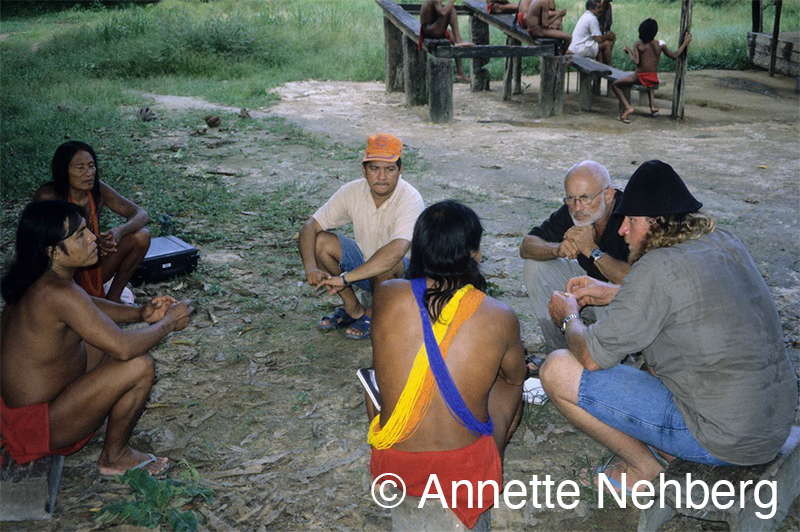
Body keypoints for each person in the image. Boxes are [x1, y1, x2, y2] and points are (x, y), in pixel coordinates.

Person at [539, 160, 797, 494]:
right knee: (654, 366)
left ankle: (640, 468)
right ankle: (665, 447)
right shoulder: (723, 241)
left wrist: (569, 316)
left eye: (631, 221)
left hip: (726, 441)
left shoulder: (656, 268)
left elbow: (589, 356)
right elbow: (687, 301)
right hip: (772, 425)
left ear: (658, 222)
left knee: (557, 368)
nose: (622, 230)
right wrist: (613, 292)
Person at [0, 201, 194, 475]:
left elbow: (90, 307)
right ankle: (114, 457)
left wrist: (141, 313)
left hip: (22, 415)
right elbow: (124, 349)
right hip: (36, 428)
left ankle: (92, 419)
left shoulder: (39, 280)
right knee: (139, 366)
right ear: (53, 251)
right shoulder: (57, 292)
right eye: (80, 235)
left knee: (97, 336)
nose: (92, 238)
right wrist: (167, 323)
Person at [368, 200, 526, 529]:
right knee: (507, 381)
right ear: (475, 253)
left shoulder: (386, 295)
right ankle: (491, 455)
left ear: (420, 250)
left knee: (374, 373)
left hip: (396, 463)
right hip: (465, 469)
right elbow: (514, 379)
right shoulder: (500, 316)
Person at [299, 133, 424, 340]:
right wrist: (310, 267)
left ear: (400, 171)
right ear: (364, 170)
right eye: (374, 168)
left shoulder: (410, 198)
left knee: (389, 260)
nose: (382, 176)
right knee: (320, 242)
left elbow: (396, 251)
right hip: (365, 266)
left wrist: (345, 279)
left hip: (403, 277)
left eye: (389, 169)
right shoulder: (352, 191)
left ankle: (374, 314)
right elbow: (309, 227)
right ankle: (353, 308)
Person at [520, 161, 629, 360]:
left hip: (624, 302)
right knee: (535, 267)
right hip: (591, 294)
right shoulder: (575, 211)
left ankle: (614, 362)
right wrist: (557, 249)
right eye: (570, 198)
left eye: (585, 198)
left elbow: (639, 281)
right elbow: (527, 245)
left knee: (613, 290)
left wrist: (592, 250)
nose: (577, 208)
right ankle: (559, 353)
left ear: (608, 195)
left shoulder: (630, 215)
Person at [34, 141, 151, 303]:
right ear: (64, 171)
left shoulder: (98, 189)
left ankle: (114, 298)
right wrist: (94, 241)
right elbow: (43, 245)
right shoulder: (48, 197)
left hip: (91, 263)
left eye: (91, 166)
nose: (88, 173)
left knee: (141, 236)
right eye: (80, 168)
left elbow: (141, 214)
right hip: (62, 269)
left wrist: (119, 231)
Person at [613, 19, 692, 122]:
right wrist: (685, 42)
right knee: (649, 79)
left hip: (640, 76)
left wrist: (629, 52)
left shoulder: (638, 44)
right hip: (653, 77)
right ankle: (653, 106)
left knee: (615, 84)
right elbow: (675, 55)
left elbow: (636, 61)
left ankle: (628, 108)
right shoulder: (660, 44)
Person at [420, 0, 474, 83]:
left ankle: (460, 72)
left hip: (432, 28)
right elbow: (443, 13)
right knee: (450, 9)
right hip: (430, 31)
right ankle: (458, 40)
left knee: (454, 38)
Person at [568, 0, 615, 65]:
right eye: (598, 8)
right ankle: (609, 67)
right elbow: (599, 39)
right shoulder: (592, 19)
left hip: (576, 47)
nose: (601, 10)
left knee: (597, 45)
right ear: (590, 8)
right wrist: (608, 36)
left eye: (601, 7)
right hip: (580, 49)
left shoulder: (586, 15)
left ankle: (601, 65)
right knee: (607, 44)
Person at [596, 0, 615, 64]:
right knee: (604, 43)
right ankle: (602, 64)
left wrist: (608, 34)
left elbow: (608, 24)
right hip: (595, 36)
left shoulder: (608, 6)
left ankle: (606, 63)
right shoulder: (596, 4)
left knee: (612, 39)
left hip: (602, 34)